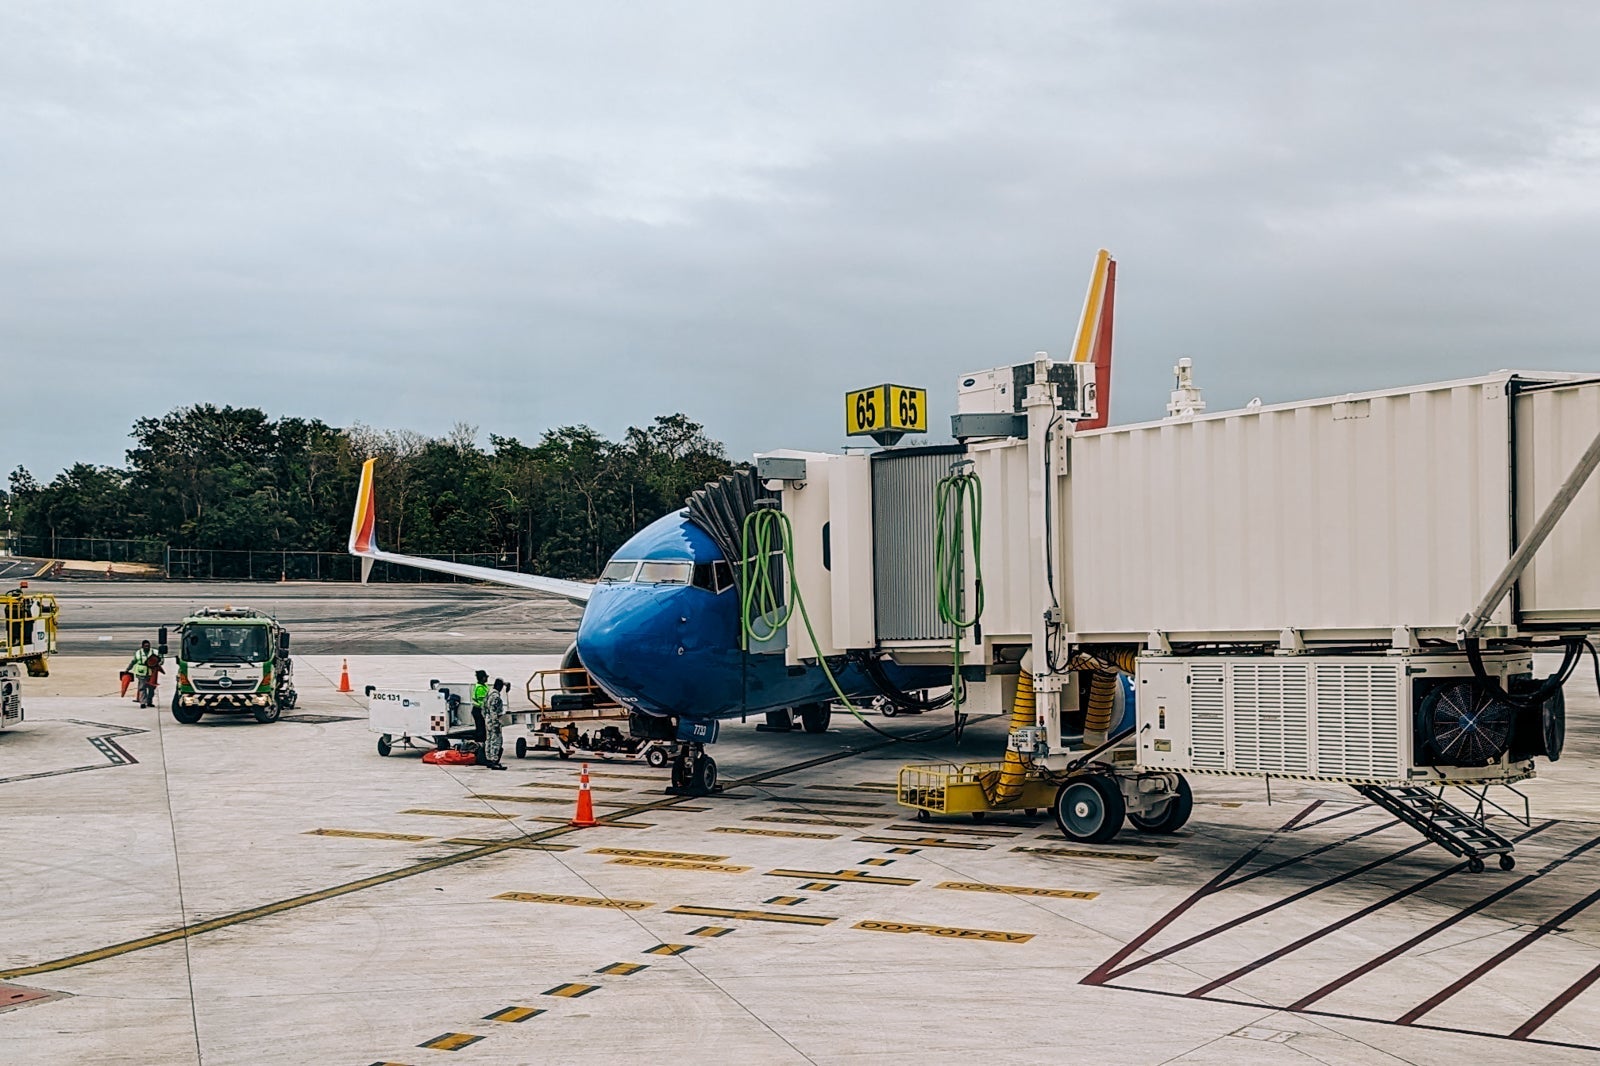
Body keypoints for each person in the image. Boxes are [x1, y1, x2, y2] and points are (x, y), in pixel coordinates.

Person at [481, 678, 508, 770]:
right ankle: (494, 760)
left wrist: (486, 718)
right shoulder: (495, 696)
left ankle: (488, 759)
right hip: (493, 721)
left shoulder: (488, 693)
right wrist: (496, 722)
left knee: (488, 740)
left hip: (487, 720)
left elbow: (483, 708)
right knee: (496, 741)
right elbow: (494, 711)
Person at [470, 669, 489, 764]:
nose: (487, 678)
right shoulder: (480, 688)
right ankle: (479, 749)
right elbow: (482, 702)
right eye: (486, 677)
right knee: (480, 730)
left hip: (479, 710)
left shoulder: (483, 686)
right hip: (478, 710)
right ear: (482, 678)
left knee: (481, 729)